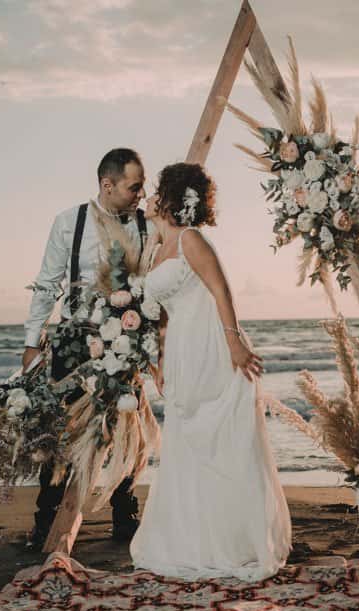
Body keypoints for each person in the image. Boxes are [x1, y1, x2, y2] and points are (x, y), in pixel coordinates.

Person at [129, 162, 292, 581]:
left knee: (222, 441)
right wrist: (160, 363)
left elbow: (221, 290)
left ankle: (236, 541)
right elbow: (162, 315)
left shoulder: (190, 240)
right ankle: (191, 539)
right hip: (183, 348)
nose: (147, 197)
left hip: (211, 345)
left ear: (168, 197)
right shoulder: (155, 250)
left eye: (154, 191)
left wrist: (234, 341)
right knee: (186, 441)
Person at [22, 148, 150, 550]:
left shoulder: (146, 226)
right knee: (60, 434)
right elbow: (47, 284)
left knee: (129, 429)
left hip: (126, 339)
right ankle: (47, 522)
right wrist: (31, 342)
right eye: (134, 186)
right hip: (74, 343)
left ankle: (125, 519)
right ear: (106, 184)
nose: (140, 195)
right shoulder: (69, 222)